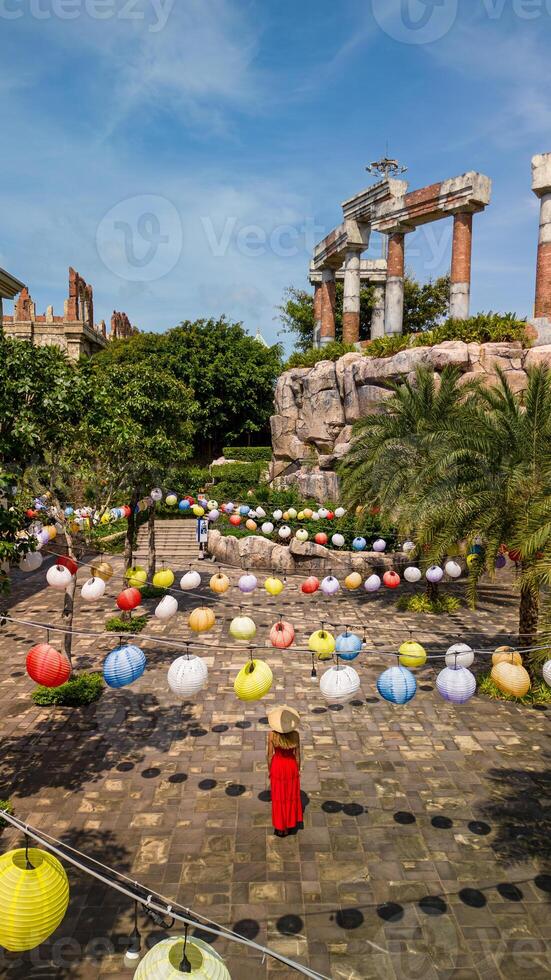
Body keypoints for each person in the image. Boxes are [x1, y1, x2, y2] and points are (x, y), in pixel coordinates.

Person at [267, 705, 303, 837]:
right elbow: (298, 755)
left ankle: (280, 827)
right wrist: (297, 770)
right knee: (290, 796)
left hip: (278, 766)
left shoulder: (272, 735)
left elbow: (270, 755)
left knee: (278, 797)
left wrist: (270, 769)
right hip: (291, 767)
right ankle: (290, 824)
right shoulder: (295, 735)